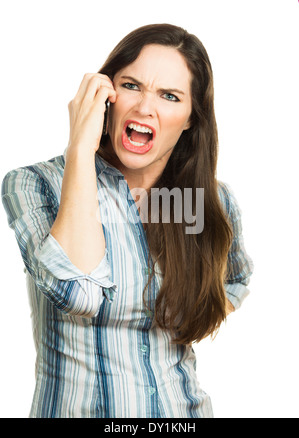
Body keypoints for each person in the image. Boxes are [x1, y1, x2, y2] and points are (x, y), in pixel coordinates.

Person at [1, 23, 253, 418]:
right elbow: (77, 292)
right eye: (132, 86)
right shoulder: (33, 185)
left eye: (170, 96)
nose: (144, 107)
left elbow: (236, 279)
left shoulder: (212, 202)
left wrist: (190, 304)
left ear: (190, 118)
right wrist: (81, 147)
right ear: (106, 95)